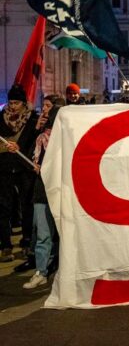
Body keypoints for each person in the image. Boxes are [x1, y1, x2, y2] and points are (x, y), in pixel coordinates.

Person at [0, 84, 40, 262]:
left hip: (24, 167)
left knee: (27, 205)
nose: (13, 106)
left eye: (16, 102)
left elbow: (35, 142)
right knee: (4, 206)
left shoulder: (33, 120)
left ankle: (26, 241)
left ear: (24, 103)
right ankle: (6, 245)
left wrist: (20, 147)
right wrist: (5, 146)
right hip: (4, 167)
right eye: (11, 102)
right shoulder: (1, 118)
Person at [23, 105, 61, 289]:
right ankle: (41, 271)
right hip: (42, 193)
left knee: (64, 234)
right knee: (44, 235)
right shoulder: (40, 139)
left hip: (61, 191)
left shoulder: (64, 141)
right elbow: (31, 159)